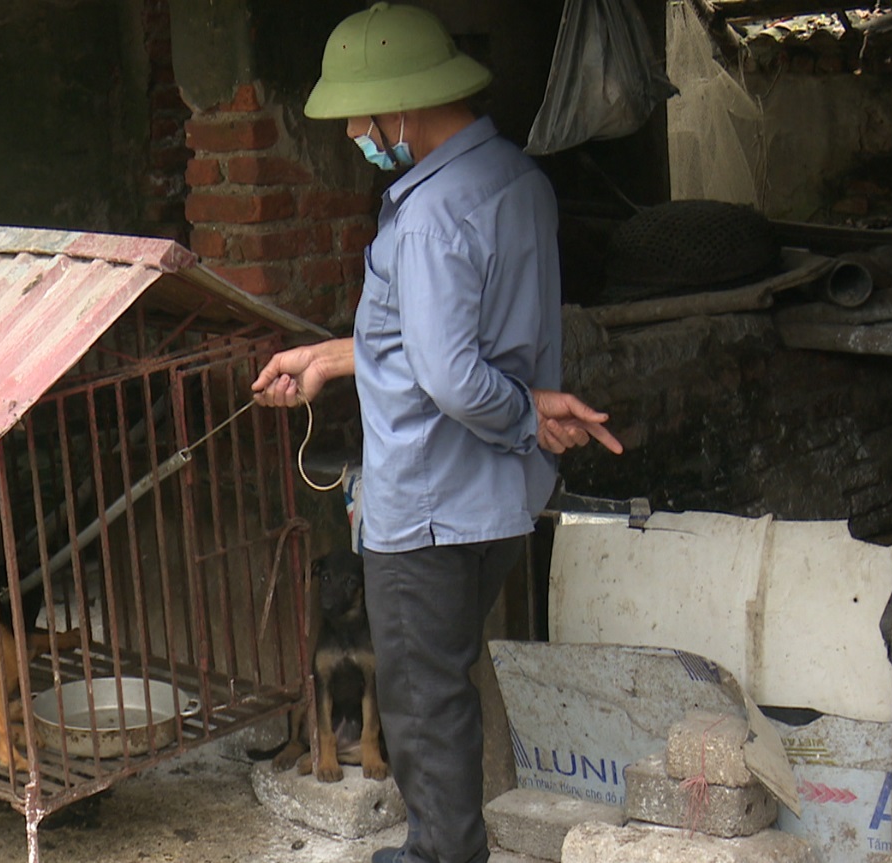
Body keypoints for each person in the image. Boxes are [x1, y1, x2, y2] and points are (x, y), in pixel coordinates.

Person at [250, 5, 623, 863]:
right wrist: (326, 359)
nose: (353, 132)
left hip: (427, 503)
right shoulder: (513, 180)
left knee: (421, 701)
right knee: (443, 681)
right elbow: (429, 340)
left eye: (358, 116)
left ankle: (439, 856)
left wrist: (523, 409)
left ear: (401, 110)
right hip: (497, 498)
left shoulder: (424, 217)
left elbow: (450, 375)